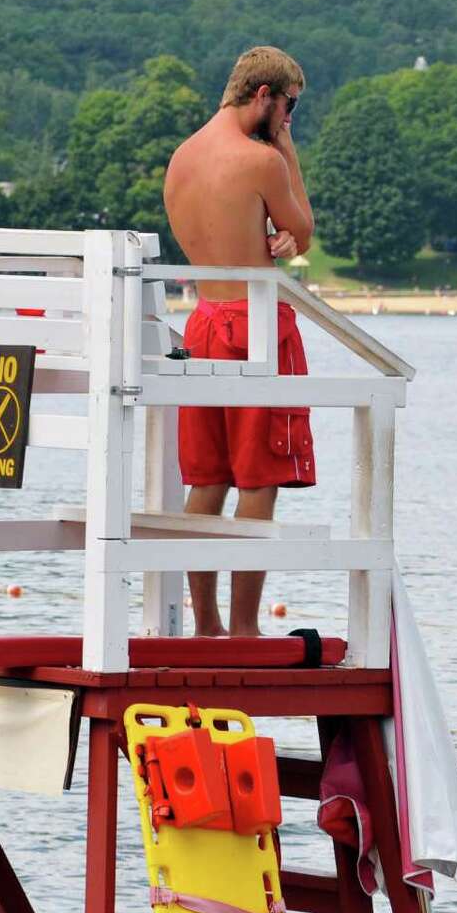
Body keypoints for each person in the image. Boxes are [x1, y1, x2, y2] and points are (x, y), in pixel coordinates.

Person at [163, 45, 316, 638]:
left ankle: (207, 626)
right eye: (289, 107)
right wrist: (287, 154)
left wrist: (269, 233)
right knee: (259, 478)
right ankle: (247, 629)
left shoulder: (181, 159)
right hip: (255, 323)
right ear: (264, 96)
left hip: (202, 321)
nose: (288, 119)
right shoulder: (263, 161)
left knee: (207, 478)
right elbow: (302, 229)